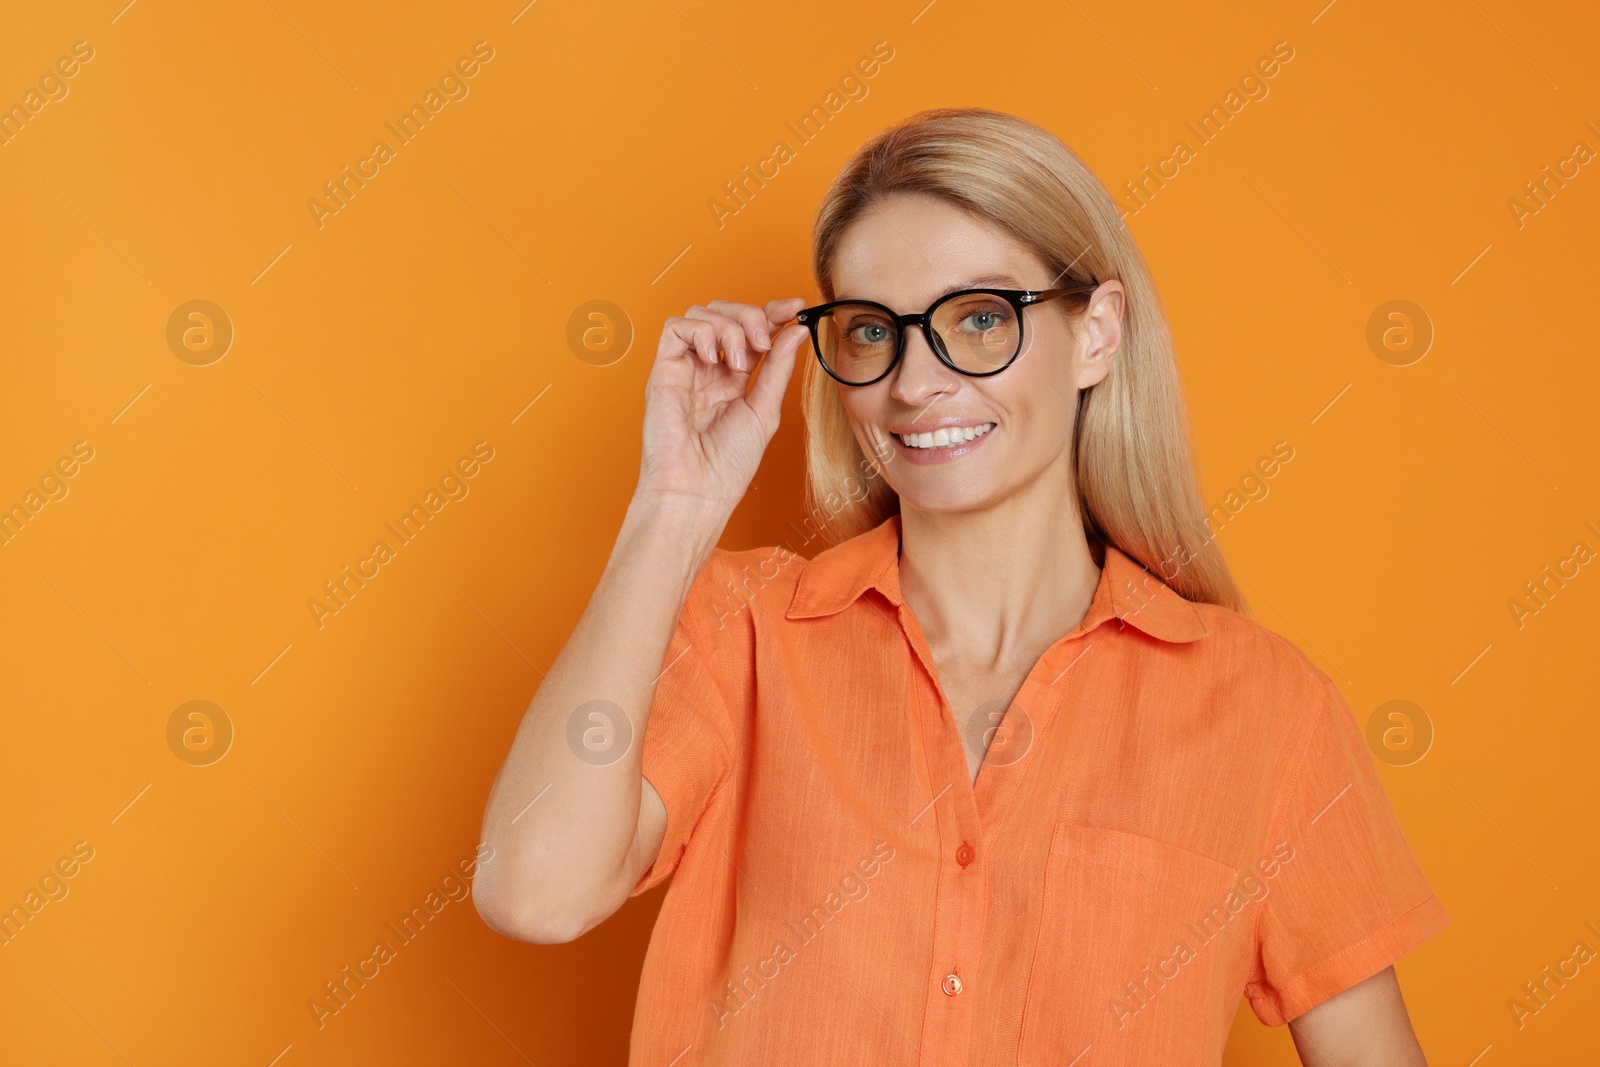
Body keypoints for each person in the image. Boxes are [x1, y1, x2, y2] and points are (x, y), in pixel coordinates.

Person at [472, 107, 1449, 1066]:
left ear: (1098, 331)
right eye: (869, 332)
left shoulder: (1267, 710)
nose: (913, 382)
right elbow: (535, 893)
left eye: (978, 319)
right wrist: (675, 504)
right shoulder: (743, 632)